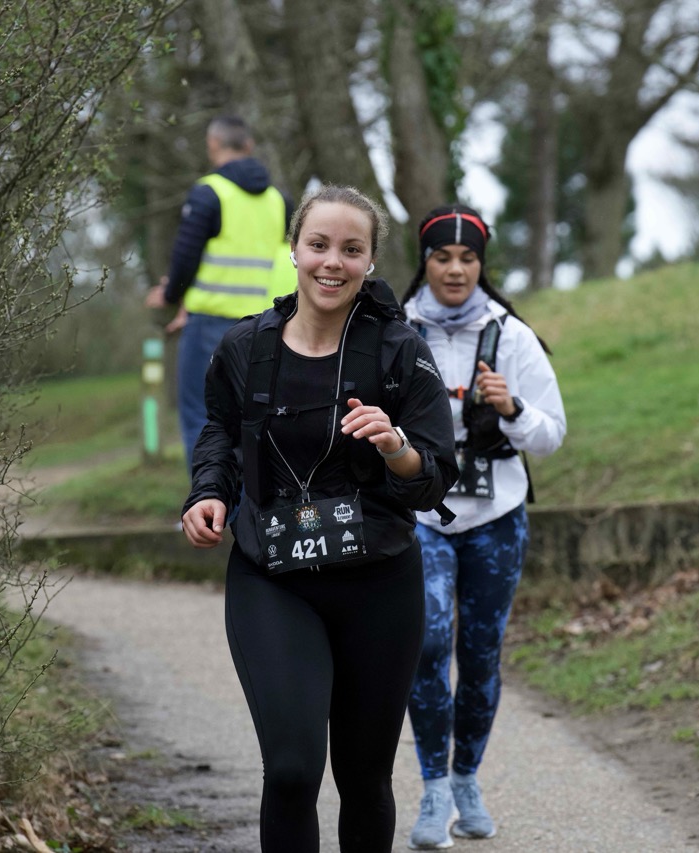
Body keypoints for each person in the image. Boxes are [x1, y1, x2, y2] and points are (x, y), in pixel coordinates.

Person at [180, 185, 460, 852]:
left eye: (351, 249)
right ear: (295, 250)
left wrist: (395, 446)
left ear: (370, 261)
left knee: (364, 778)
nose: (333, 261)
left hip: (379, 583)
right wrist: (207, 493)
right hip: (273, 578)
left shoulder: (400, 352)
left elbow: (434, 479)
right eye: (319, 244)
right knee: (291, 769)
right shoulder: (245, 346)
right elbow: (221, 432)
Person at [400, 204, 566, 848]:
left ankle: (466, 778)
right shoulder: (395, 331)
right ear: (425, 262)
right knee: (427, 643)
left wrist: (513, 408)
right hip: (420, 515)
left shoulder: (511, 336)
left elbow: (551, 435)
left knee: (479, 654)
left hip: (496, 518)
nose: (455, 270)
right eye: (443, 257)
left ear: (481, 265)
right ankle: (433, 790)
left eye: (467, 259)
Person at [145, 115, 295, 470]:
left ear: (213, 145)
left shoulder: (208, 193)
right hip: (265, 326)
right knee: (254, 420)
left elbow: (186, 257)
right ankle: (250, 502)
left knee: (203, 417)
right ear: (249, 145)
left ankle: (209, 497)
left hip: (209, 327)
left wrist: (171, 297)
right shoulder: (280, 200)